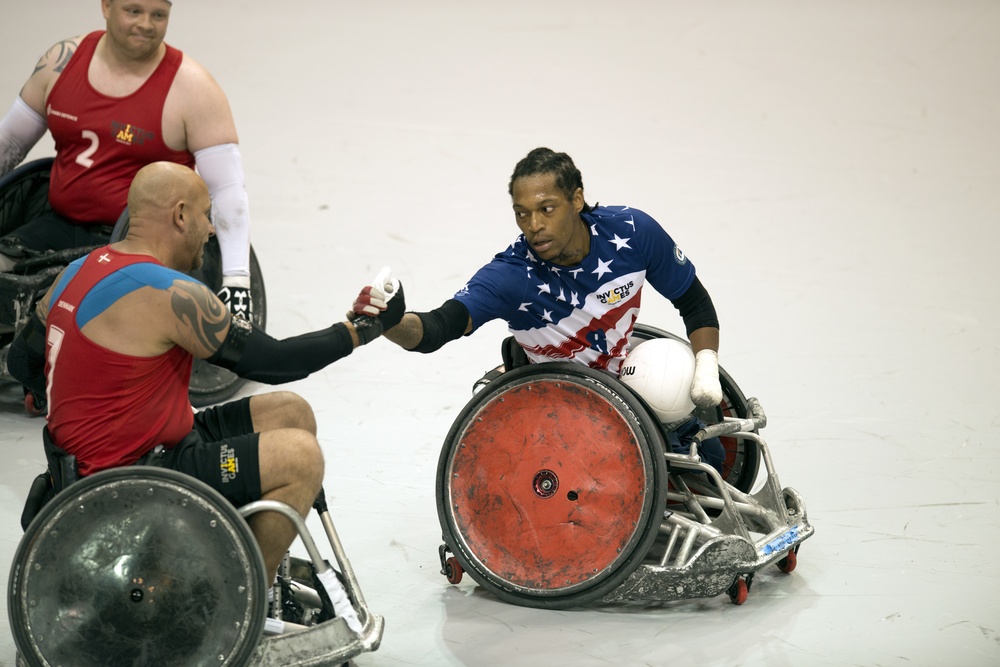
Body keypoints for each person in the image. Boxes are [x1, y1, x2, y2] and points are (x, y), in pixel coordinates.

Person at [7, 162, 403, 632]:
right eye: (206, 214)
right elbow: (272, 361)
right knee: (299, 458)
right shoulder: (167, 292)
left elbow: (22, 363)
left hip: (99, 468)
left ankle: (235, 556)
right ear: (180, 215)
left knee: (290, 414)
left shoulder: (79, 270)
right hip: (135, 481)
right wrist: (363, 329)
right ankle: (231, 615)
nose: (212, 229)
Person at [364, 147, 727, 471]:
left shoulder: (633, 233)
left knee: (712, 455)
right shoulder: (511, 276)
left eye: (546, 209)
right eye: (522, 214)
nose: (534, 226)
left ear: (577, 199)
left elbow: (693, 302)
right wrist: (391, 322)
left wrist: (707, 369)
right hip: (558, 409)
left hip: (621, 384)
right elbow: (438, 327)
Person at [0, 0, 255, 320]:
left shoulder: (193, 88)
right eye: (133, 11)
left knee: (82, 311)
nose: (146, 24)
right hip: (59, 222)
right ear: (106, 6)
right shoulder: (61, 62)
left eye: (158, 15)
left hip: (143, 242)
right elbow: (9, 143)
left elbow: (227, 190)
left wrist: (237, 282)